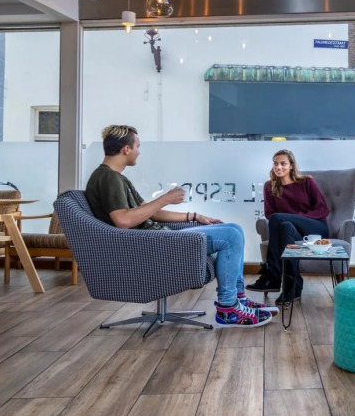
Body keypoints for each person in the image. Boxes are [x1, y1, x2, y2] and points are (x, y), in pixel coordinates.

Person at [85, 125, 276, 328]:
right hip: (148, 244)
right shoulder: (108, 178)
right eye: (137, 146)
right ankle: (228, 309)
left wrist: (194, 216)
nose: (139, 152)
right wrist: (165, 199)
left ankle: (238, 299)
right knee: (231, 236)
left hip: (157, 238)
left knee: (234, 229)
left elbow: (150, 212)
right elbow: (123, 220)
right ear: (126, 149)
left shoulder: (116, 177)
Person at [247, 149, 330, 306]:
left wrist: (297, 218)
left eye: (283, 163)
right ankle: (292, 286)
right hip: (292, 231)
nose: (278, 167)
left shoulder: (307, 182)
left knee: (280, 218)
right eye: (275, 164)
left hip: (315, 228)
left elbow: (322, 209)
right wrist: (290, 220)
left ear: (292, 165)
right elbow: (269, 213)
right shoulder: (269, 186)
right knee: (284, 226)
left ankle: (272, 276)